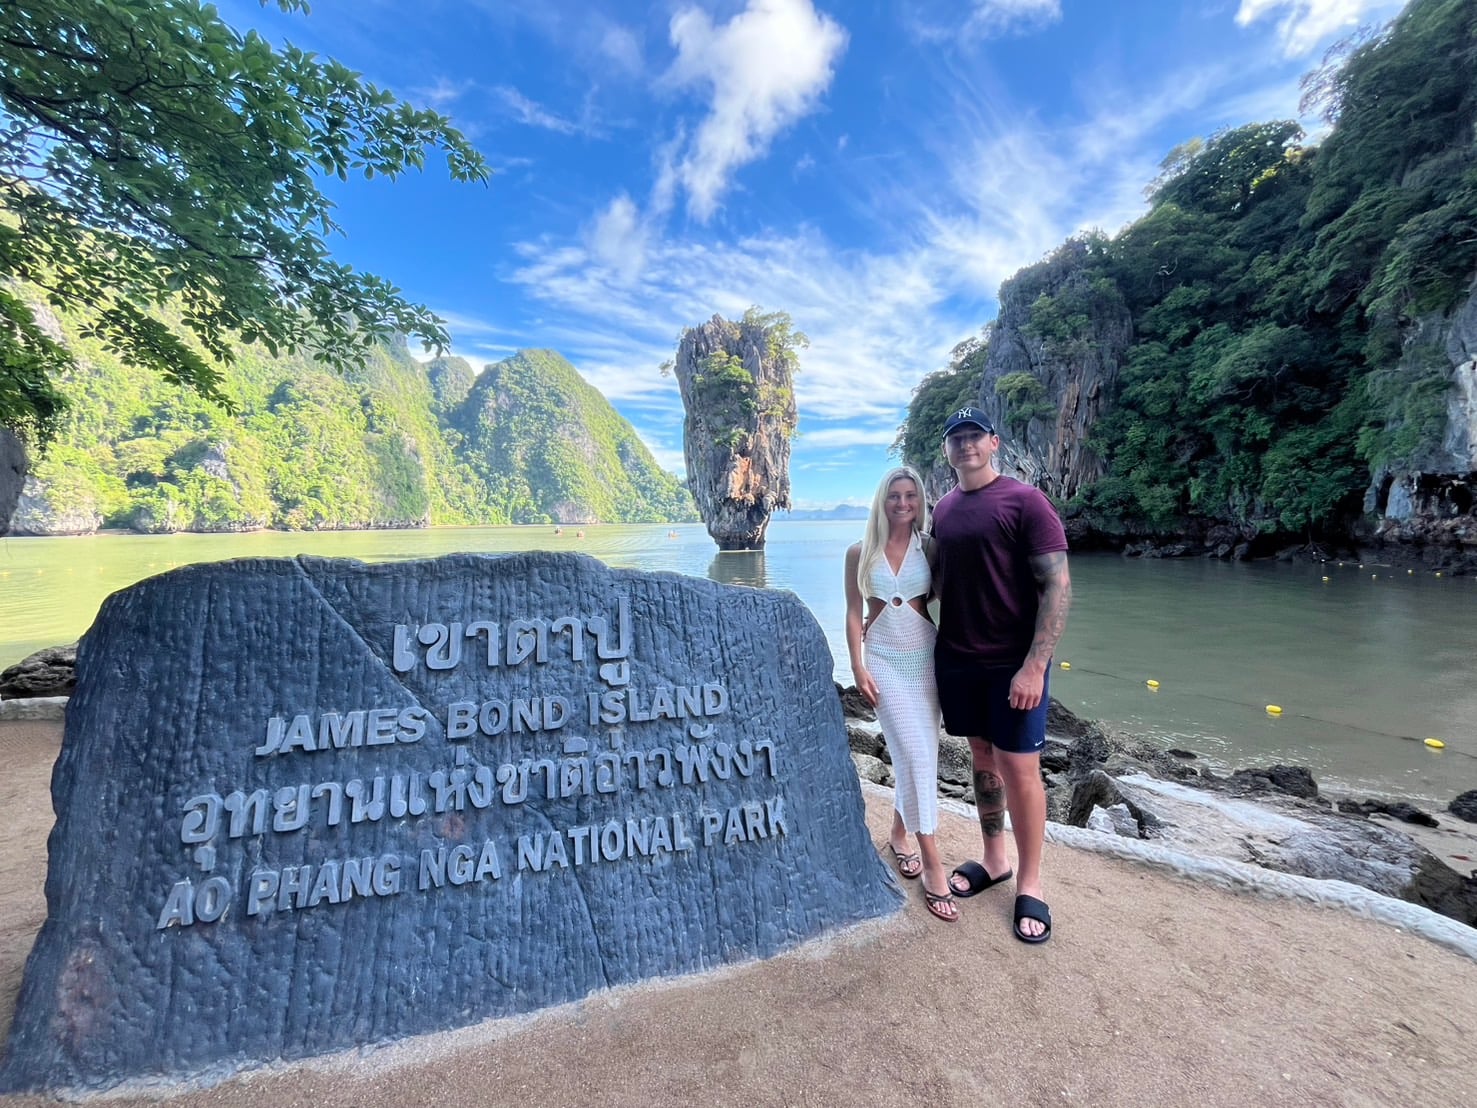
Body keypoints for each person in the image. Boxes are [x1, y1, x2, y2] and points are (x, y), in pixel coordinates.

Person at [931, 406, 1071, 944]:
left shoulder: (1026, 501)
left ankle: (1031, 882)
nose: (965, 444)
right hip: (959, 658)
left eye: (975, 435)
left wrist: (1035, 665)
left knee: (1020, 767)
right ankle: (995, 859)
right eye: (956, 437)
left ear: (994, 443)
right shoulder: (944, 510)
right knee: (983, 757)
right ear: (948, 449)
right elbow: (937, 581)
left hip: (1013, 663)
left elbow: (1057, 585)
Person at [844, 466, 956, 923]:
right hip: (883, 661)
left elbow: (950, 597)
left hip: (925, 657)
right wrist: (857, 666)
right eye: (895, 495)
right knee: (913, 753)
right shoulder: (859, 552)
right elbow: (853, 611)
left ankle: (898, 834)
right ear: (882, 500)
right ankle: (933, 862)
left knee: (920, 753)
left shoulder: (930, 548)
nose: (903, 503)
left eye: (911, 495)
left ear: (920, 500)